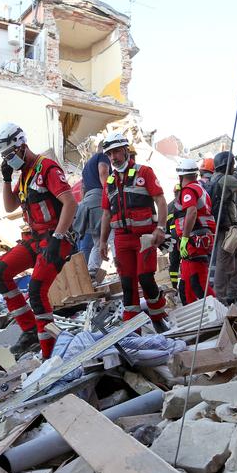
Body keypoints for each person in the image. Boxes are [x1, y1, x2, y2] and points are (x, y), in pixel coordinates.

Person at [0, 122, 76, 358]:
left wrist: (58, 237)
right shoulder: (26, 175)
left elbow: (70, 202)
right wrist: (6, 179)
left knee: (37, 291)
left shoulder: (46, 168)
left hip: (56, 238)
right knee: (0, 273)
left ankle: (48, 353)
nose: (8, 159)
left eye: (10, 154)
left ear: (22, 146)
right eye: (4, 157)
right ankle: (29, 330)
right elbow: (9, 206)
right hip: (35, 237)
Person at [97, 132, 169, 332]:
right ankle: (133, 327)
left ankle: (158, 318)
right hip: (121, 239)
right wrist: (102, 242)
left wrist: (161, 228)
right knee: (127, 283)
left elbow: (161, 201)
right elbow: (105, 214)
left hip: (144, 237)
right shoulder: (109, 183)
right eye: (109, 154)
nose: (113, 158)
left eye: (116, 152)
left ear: (126, 151)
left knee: (146, 278)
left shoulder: (144, 172)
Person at [209, 151, 237, 305]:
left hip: (218, 225)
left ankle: (232, 290)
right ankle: (221, 298)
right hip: (225, 228)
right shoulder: (227, 179)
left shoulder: (213, 178)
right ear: (228, 165)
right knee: (223, 260)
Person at [174, 159, 217, 304]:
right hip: (197, 240)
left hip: (194, 241)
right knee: (186, 286)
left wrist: (185, 238)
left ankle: (220, 315)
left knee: (198, 284)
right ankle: (190, 316)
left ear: (181, 176)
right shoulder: (200, 189)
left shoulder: (189, 190)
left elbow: (191, 212)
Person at [73, 151, 111, 281]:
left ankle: (92, 274)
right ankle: (123, 266)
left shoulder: (87, 167)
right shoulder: (103, 156)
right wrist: (109, 194)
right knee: (112, 236)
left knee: (98, 242)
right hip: (99, 200)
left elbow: (83, 189)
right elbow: (103, 173)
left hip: (87, 205)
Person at [167, 183, 184, 300]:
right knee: (184, 262)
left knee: (174, 263)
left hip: (173, 237)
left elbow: (165, 226)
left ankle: (175, 288)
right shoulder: (185, 202)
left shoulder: (170, 206)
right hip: (182, 236)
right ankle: (180, 287)